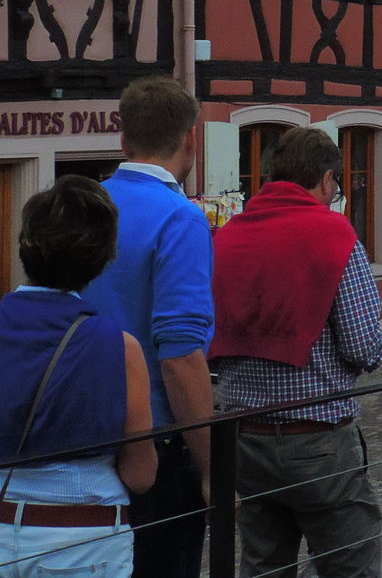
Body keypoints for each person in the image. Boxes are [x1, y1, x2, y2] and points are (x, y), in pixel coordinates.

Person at [209, 127, 382, 578]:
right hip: (316, 436)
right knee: (351, 563)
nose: (335, 196)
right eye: (336, 187)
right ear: (327, 179)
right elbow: (359, 343)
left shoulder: (229, 235)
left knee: (263, 565)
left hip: (244, 436)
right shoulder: (333, 232)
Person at [83, 75, 213, 578]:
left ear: (123, 139)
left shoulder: (88, 205)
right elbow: (180, 356)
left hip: (87, 432)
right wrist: (211, 468)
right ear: (190, 139)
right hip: (157, 442)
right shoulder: (180, 218)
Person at [0, 177, 157, 577]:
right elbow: (141, 475)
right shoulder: (121, 349)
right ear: (103, 259)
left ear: (25, 246)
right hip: (84, 539)